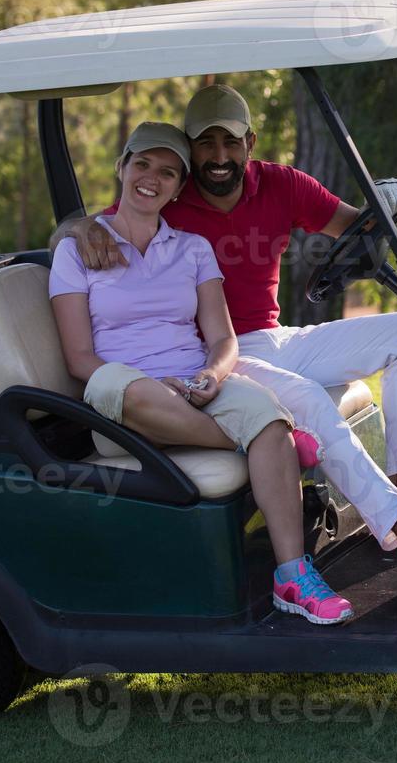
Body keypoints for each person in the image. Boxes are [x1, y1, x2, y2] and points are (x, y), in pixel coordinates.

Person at [60, 84, 397, 555]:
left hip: (277, 337)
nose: (219, 155)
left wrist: (378, 230)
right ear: (190, 149)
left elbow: (355, 227)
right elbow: (100, 225)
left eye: (230, 142)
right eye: (205, 143)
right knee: (310, 402)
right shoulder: (171, 198)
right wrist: (71, 228)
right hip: (222, 353)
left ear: (250, 143)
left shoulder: (282, 184)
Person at [48, 122, 356, 625]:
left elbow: (222, 338)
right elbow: (79, 358)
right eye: (142, 164)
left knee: (263, 412)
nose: (152, 178)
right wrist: (153, 384)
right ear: (122, 167)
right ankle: (256, 441)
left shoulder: (192, 249)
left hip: (194, 385)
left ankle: (292, 577)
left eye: (168, 172)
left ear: (178, 187)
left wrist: (213, 375)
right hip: (122, 401)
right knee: (250, 426)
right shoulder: (79, 248)